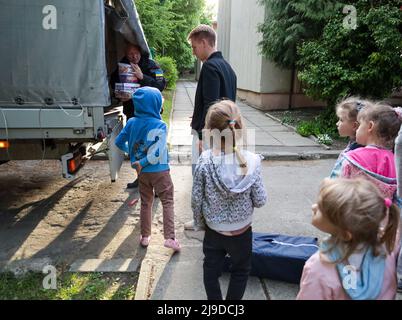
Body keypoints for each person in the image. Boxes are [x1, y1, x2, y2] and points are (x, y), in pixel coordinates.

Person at [191, 100, 267, 300]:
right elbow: (260, 200)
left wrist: (199, 223)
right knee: (241, 270)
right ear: (240, 127)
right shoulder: (252, 161)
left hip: (214, 230)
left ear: (209, 131)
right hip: (241, 231)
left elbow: (196, 198)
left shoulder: (205, 161)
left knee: (210, 269)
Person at [297, 178, 400, 300]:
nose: (313, 207)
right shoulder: (388, 247)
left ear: (346, 234)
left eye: (321, 209)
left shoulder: (319, 268)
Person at [115, 87, 180, 252]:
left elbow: (118, 142)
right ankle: (170, 238)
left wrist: (134, 156)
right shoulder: (159, 125)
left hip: (142, 173)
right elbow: (157, 153)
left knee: (146, 202)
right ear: (155, 105)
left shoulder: (131, 122)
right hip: (160, 170)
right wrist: (143, 161)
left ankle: (145, 237)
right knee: (167, 201)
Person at [185, 24, 237, 230]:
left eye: (194, 47)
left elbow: (211, 105)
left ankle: (202, 221)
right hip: (226, 133)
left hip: (210, 134)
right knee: (220, 177)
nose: (194, 52)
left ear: (205, 42)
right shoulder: (228, 68)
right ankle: (218, 218)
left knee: (202, 177)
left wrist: (201, 135)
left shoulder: (210, 67)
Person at [111, 43, 166, 189]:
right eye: (130, 54)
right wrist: (119, 95)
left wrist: (142, 77)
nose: (134, 57)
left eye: (136, 53)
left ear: (140, 52)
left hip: (152, 116)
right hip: (132, 114)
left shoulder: (151, 65)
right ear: (126, 54)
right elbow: (113, 83)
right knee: (137, 148)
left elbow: (161, 85)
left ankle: (156, 179)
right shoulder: (121, 65)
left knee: (153, 146)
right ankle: (140, 178)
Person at [329, 97, 364, 178]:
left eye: (341, 120)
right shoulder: (355, 145)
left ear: (354, 125)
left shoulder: (355, 152)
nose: (337, 123)